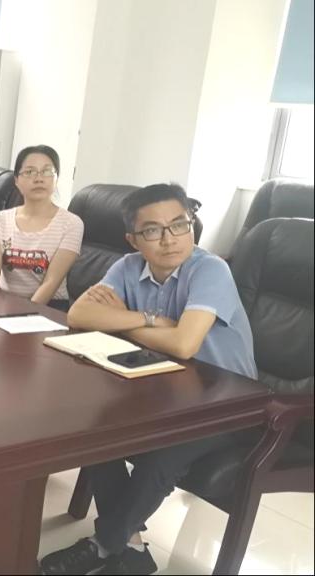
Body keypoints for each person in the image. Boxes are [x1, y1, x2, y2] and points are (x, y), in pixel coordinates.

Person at [40, 183, 257, 575]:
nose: (169, 239)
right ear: (133, 239)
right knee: (92, 430)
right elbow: (79, 315)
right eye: (153, 230)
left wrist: (119, 322)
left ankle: (104, 544)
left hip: (230, 404)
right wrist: (152, 320)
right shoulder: (127, 267)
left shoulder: (210, 270)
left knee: (160, 453)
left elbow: (185, 344)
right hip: (164, 392)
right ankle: (132, 549)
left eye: (179, 225)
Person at [0, 145, 83, 308]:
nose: (39, 178)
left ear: (56, 178)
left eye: (47, 171)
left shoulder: (71, 223)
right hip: (5, 301)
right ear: (16, 180)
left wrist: (23, 314)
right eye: (29, 172)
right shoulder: (0, 220)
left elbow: (51, 281)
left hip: (49, 306)